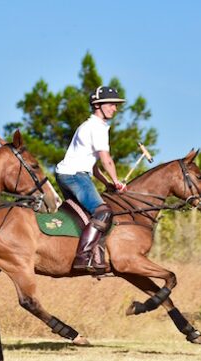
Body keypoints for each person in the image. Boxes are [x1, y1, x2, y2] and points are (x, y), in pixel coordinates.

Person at [55, 86, 126, 272]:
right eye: (111, 104)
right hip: (75, 176)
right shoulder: (97, 127)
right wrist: (117, 180)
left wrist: (107, 183)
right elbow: (105, 159)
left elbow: (93, 167)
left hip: (67, 174)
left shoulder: (88, 126)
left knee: (86, 215)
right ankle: (83, 257)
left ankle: (91, 254)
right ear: (98, 105)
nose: (115, 109)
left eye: (115, 105)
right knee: (103, 213)